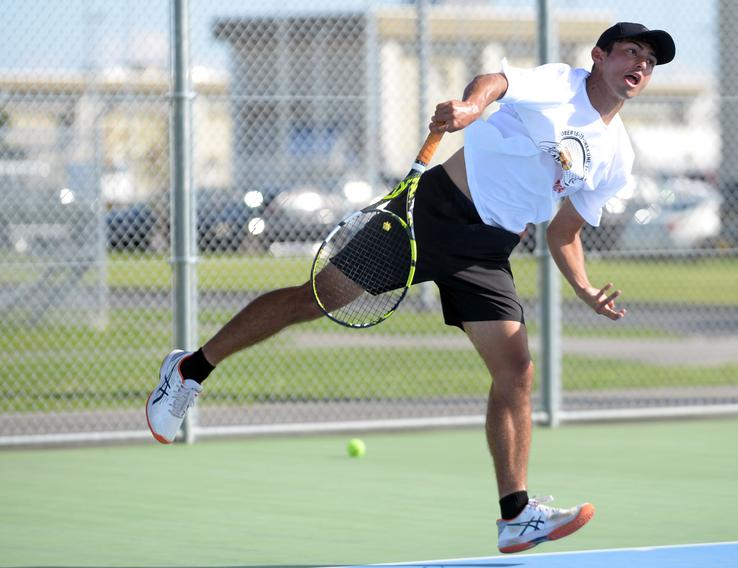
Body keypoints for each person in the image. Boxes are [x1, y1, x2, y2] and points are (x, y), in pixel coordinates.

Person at [146, 21, 675, 554]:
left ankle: (515, 516)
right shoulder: (561, 84)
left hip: (487, 251)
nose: (640, 66)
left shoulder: (618, 156)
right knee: (317, 299)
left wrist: (583, 288)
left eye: (650, 62)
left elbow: (565, 231)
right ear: (599, 57)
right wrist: (470, 108)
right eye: (631, 52)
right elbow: (495, 81)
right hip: (433, 213)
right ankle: (191, 369)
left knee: (516, 371)